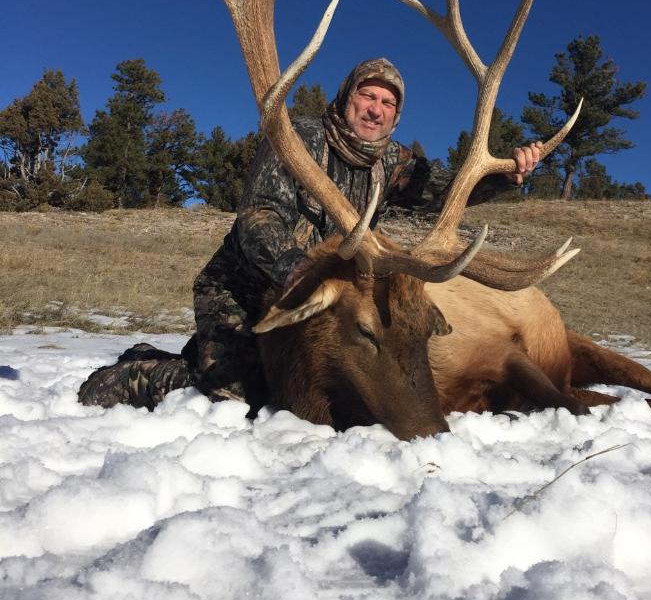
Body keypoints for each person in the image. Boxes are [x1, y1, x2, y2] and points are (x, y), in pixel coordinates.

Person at [78, 58, 542, 413]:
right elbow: (257, 218)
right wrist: (298, 271)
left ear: (396, 116)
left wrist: (507, 175)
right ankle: (129, 376)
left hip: (326, 304)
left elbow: (443, 191)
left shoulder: (392, 162)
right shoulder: (297, 137)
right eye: (368, 96)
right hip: (246, 290)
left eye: (387, 103)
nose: (375, 109)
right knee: (238, 395)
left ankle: (201, 353)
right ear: (346, 98)